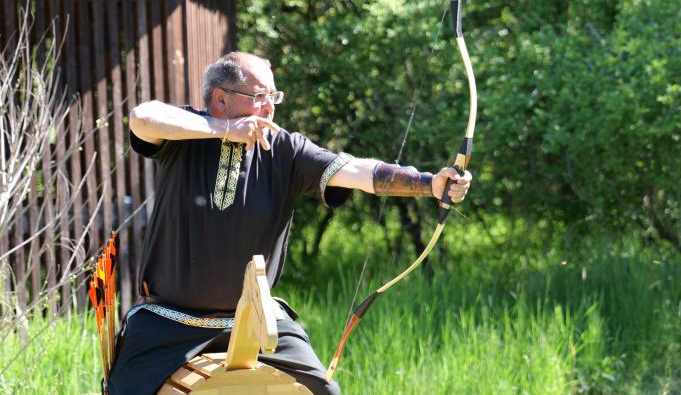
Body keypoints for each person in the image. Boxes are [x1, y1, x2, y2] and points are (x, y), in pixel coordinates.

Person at [107, 51, 472, 394]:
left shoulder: (285, 149)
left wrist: (427, 183)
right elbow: (142, 116)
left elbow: (356, 170)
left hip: (256, 322)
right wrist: (222, 131)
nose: (269, 107)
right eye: (259, 96)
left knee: (323, 390)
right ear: (220, 99)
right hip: (167, 322)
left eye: (273, 97)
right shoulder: (183, 134)